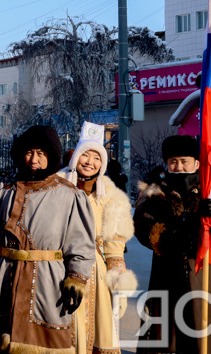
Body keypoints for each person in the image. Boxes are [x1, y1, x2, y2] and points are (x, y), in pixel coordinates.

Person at [0, 125, 96, 354]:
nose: (34, 160)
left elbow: (81, 245)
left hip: (47, 283)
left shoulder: (69, 195)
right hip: (4, 277)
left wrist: (76, 280)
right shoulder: (3, 189)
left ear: (51, 156)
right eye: (29, 152)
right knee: (2, 342)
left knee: (40, 346)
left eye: (41, 153)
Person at [134, 135, 211, 354]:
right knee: (165, 340)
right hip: (165, 280)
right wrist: (168, 231)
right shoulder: (155, 194)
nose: (178, 167)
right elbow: (141, 228)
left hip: (205, 281)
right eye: (173, 162)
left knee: (203, 340)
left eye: (184, 161)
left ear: (196, 163)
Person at [58, 122, 137, 354]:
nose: (90, 162)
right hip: (59, 267)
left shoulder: (111, 196)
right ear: (76, 157)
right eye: (85, 155)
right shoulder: (56, 187)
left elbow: (114, 247)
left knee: (95, 328)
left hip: (96, 273)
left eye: (96, 158)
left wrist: (118, 285)